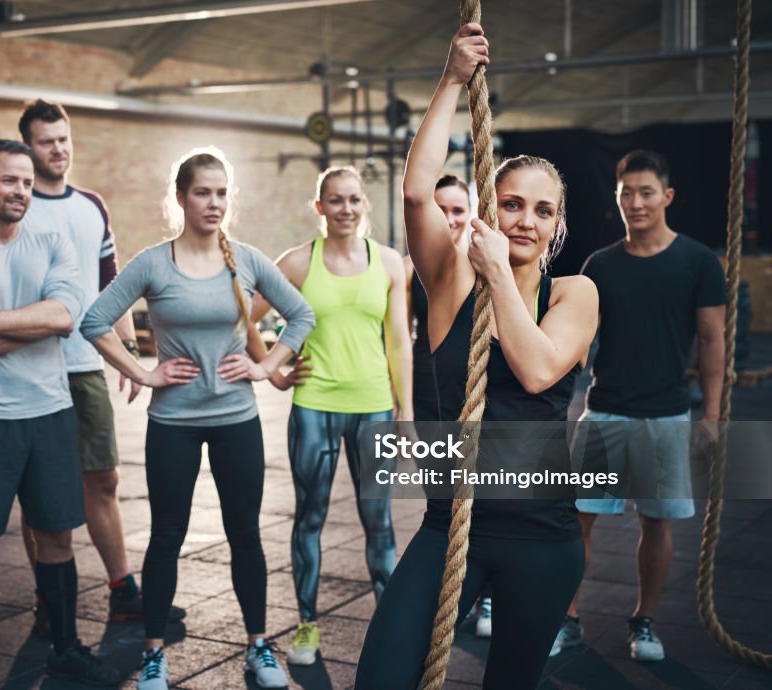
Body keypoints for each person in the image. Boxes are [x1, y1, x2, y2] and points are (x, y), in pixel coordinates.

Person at [355, 23, 599, 690]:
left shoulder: (574, 293)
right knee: (381, 677)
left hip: (544, 537)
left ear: (558, 227)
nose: (525, 219)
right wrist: (453, 79)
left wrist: (498, 276)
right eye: (511, 203)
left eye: (542, 211)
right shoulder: (450, 285)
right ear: (489, 208)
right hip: (451, 525)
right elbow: (415, 192)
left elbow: (538, 368)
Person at [80, 147, 315, 690]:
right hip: (174, 423)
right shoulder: (153, 263)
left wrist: (265, 366)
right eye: (203, 192)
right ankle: (155, 656)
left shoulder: (248, 260)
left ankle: (259, 646)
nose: (214, 203)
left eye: (222, 193)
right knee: (166, 538)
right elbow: (94, 321)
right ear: (180, 198)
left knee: (245, 536)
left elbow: (302, 314)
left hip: (236, 419)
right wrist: (143, 373)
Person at [0, 139, 120, 689]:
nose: (21, 192)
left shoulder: (53, 242)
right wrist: (20, 326)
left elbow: (64, 318)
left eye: (29, 183)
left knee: (57, 538)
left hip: (51, 414)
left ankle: (64, 648)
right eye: (10, 180)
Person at [551, 150, 726, 662]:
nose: (635, 202)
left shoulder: (697, 262)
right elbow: (580, 339)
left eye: (646, 192)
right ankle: (569, 618)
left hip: (667, 414)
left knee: (657, 523)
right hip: (604, 411)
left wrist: (711, 417)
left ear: (667, 197)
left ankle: (644, 620)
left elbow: (713, 341)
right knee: (578, 518)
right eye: (626, 192)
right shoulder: (599, 266)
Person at [17, 99, 184, 631]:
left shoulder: (90, 205)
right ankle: (49, 596)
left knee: (104, 479)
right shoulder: (19, 206)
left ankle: (122, 589)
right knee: (39, 489)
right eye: (47, 141)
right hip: (32, 369)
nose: (58, 149)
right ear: (29, 147)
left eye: (63, 138)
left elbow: (109, 283)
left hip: (85, 366)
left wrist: (128, 350)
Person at [247, 165, 411, 666]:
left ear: (364, 205)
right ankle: (306, 626)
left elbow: (399, 340)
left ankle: (389, 628)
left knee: (379, 522)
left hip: (375, 406)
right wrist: (271, 369)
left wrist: (405, 410)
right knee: (310, 518)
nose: (346, 209)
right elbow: (244, 317)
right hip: (315, 404)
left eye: (354, 200)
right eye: (335, 200)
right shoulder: (296, 264)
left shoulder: (387, 263)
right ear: (319, 208)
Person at [403, 174, 492, 639]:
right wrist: (403, 412)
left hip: (476, 392)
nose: (450, 219)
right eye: (441, 211)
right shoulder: (413, 267)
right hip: (430, 392)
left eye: (458, 209)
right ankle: (449, 594)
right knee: (442, 501)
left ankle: (488, 594)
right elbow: (401, 339)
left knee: (491, 498)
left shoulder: (490, 264)